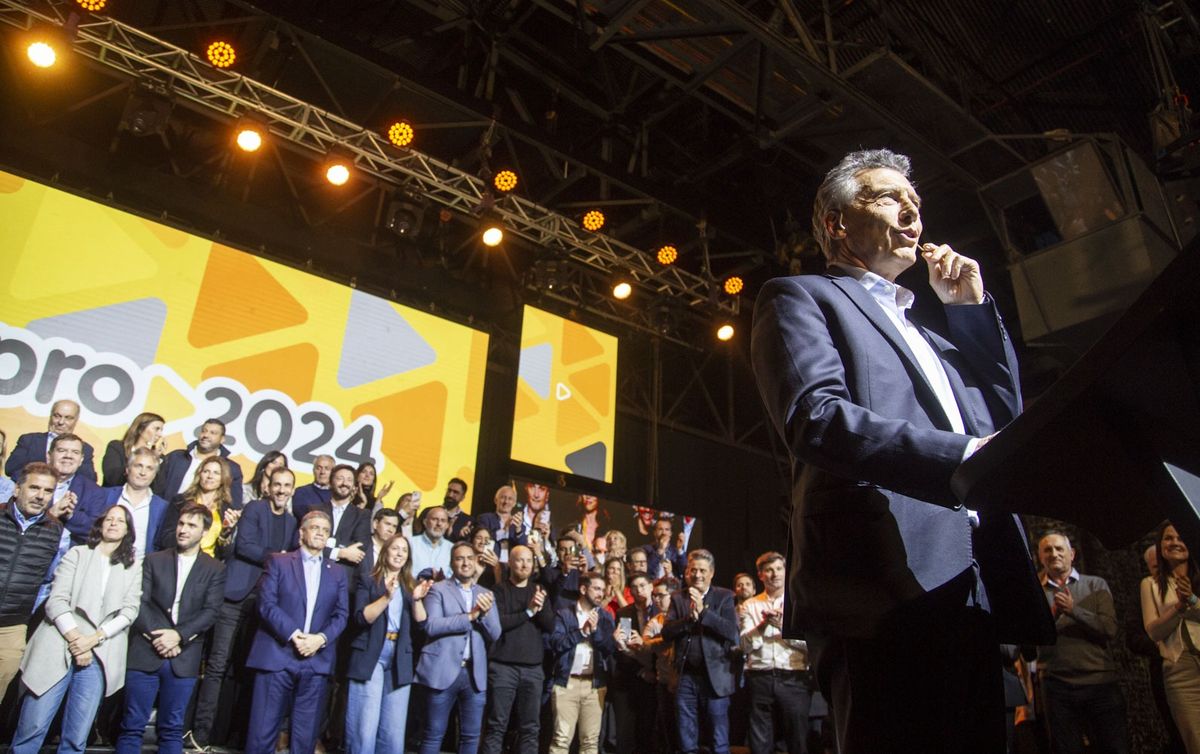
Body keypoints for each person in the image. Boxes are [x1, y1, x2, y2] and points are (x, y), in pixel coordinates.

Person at [750, 148, 1051, 752]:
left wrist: (967, 312)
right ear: (837, 222)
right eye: (890, 197)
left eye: (916, 202)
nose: (912, 210)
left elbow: (1000, 420)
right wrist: (962, 457)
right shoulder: (801, 296)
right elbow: (818, 418)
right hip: (879, 585)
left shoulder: (931, 332)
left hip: (972, 581)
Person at [12, 505, 142, 754]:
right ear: (100, 524)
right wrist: (76, 639)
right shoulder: (77, 554)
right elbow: (57, 600)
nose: (113, 523)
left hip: (100, 650)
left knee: (76, 735)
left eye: (120, 521)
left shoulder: (133, 566)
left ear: (128, 530)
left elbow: (129, 610)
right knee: (33, 726)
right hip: (60, 643)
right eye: (109, 519)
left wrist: (93, 639)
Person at [188, 467, 299, 750]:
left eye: (287, 486)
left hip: (264, 603)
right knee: (216, 665)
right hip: (234, 597)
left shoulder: (291, 521)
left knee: (246, 669)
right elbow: (245, 547)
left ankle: (233, 735)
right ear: (268, 486)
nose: (281, 490)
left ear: (292, 490)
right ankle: (200, 735)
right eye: (277, 484)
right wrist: (279, 558)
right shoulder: (253, 508)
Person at [115, 503, 226, 754]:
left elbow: (211, 611)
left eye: (191, 525)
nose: (183, 530)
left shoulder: (215, 569)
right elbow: (138, 602)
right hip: (145, 651)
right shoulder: (154, 560)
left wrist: (177, 636)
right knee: (132, 726)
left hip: (183, 657)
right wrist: (159, 637)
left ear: (205, 532)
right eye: (181, 524)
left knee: (172, 729)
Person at [243, 510, 349, 754]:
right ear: (302, 533)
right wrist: (294, 634)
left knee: (305, 738)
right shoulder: (278, 561)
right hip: (278, 656)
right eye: (315, 528)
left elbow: (341, 615)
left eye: (325, 530)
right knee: (262, 734)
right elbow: (266, 604)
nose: (320, 533)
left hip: (316, 661)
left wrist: (319, 640)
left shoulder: (337, 572)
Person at [1034, 532, 1127, 754]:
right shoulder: (1035, 592)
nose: (1054, 554)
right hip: (1057, 685)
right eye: (1047, 550)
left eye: (1059, 548)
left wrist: (1074, 610)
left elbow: (1109, 629)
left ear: (1072, 554)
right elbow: (1030, 640)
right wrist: (1053, 615)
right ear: (1040, 557)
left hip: (1100, 682)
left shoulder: (1095, 584)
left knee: (1115, 747)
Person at [346, 534, 432, 754]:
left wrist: (417, 600)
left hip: (400, 656)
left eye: (404, 550)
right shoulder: (368, 579)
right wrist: (386, 597)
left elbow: (422, 624)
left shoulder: (411, 585)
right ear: (385, 552)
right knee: (364, 727)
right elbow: (361, 618)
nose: (400, 553)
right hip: (370, 653)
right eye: (395, 548)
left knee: (393, 732)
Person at [414, 541, 501, 754]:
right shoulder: (438, 590)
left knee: (471, 737)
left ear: (476, 562)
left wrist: (485, 614)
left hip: (473, 675)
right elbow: (432, 625)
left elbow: (496, 633)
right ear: (452, 563)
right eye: (460, 558)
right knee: (434, 734)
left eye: (469, 558)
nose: (465, 563)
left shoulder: (485, 593)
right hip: (442, 671)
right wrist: (470, 616)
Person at [659, 549, 738, 754]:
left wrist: (704, 612)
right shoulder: (678, 598)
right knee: (686, 737)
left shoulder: (725, 596)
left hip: (716, 678)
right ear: (686, 572)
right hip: (686, 677)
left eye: (702, 570)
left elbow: (731, 632)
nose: (697, 575)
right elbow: (667, 633)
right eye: (693, 570)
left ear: (711, 573)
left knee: (718, 738)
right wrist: (688, 621)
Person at [479, 545, 554, 754]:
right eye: (520, 560)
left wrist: (540, 608)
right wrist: (529, 611)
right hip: (503, 668)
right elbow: (499, 623)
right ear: (510, 563)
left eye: (529, 561)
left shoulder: (539, 591)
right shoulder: (498, 591)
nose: (525, 565)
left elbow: (550, 626)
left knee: (531, 728)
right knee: (496, 726)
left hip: (533, 669)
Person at [0, 463, 65, 698]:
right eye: (34, 488)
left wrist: (25, 610)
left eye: (48, 491)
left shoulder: (56, 532)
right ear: (17, 489)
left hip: (12, 628)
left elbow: (49, 581)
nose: (40, 496)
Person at [738, 552, 810, 754]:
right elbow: (744, 646)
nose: (774, 574)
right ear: (760, 575)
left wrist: (783, 629)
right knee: (760, 743)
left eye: (779, 569)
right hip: (760, 677)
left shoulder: (797, 603)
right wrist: (762, 626)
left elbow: (810, 645)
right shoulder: (750, 605)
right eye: (769, 570)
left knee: (798, 740)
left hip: (793, 677)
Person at [1141, 522, 1200, 754]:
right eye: (1168, 538)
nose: (1175, 542)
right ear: (1160, 545)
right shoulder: (1150, 585)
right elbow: (1154, 631)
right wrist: (1179, 607)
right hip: (1179, 670)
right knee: (1195, 739)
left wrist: (1193, 600)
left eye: (1180, 537)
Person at [547, 570, 616, 754]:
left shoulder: (606, 617)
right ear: (583, 589)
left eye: (602, 589)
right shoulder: (564, 614)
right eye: (596, 589)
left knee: (590, 742)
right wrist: (582, 632)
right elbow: (556, 643)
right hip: (566, 683)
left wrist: (595, 632)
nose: (601, 594)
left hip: (594, 685)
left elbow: (609, 648)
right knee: (561, 740)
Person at [611, 571, 658, 754]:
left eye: (643, 586)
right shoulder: (625, 613)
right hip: (630, 677)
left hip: (656, 677)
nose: (639, 591)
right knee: (627, 732)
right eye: (635, 587)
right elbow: (623, 647)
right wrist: (640, 671)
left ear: (651, 587)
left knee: (650, 731)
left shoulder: (661, 610)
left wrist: (652, 671)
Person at [156, 456, 239, 556]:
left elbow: (225, 553)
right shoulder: (180, 501)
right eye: (206, 471)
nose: (210, 476)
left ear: (223, 478)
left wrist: (226, 532)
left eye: (216, 473)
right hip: (176, 558)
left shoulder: (227, 511)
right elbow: (165, 538)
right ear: (199, 474)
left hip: (206, 566)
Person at [153, 418, 245, 507]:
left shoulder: (232, 469)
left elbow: (234, 505)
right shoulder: (176, 457)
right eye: (204, 431)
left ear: (222, 439)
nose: (206, 435)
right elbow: (156, 488)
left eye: (213, 433)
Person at [101, 447, 169, 560]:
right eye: (138, 466)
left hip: (139, 570)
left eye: (149, 468)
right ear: (127, 469)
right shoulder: (105, 496)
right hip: (102, 561)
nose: (143, 473)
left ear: (155, 474)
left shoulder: (162, 507)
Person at [6, 399, 97, 481]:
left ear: (76, 420)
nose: (61, 422)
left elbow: (89, 479)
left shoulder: (85, 448)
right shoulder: (29, 440)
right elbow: (11, 469)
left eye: (68, 418)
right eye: (57, 416)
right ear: (50, 416)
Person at [643, 576, 681, 754]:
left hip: (685, 681)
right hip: (664, 680)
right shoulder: (655, 621)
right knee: (668, 729)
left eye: (660, 595)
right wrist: (667, 639)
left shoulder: (685, 615)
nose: (656, 600)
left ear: (673, 595)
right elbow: (646, 644)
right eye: (654, 595)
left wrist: (659, 641)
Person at [49, 433, 108, 545]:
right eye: (62, 450)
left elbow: (95, 531)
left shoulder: (95, 491)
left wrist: (70, 515)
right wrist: (51, 514)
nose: (68, 455)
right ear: (49, 455)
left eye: (75, 452)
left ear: (81, 460)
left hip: (68, 556)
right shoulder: (33, 482)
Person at [317, 464, 372, 578]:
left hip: (343, 579)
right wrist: (341, 553)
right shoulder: (316, 510)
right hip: (314, 572)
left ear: (354, 486)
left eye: (349, 480)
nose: (344, 483)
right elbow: (308, 544)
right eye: (340, 478)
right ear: (331, 483)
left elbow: (359, 548)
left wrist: (324, 547)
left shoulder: (363, 515)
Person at [101, 412, 165, 487]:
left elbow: (158, 487)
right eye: (156, 429)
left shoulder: (159, 457)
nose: (160, 434)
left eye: (161, 430)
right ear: (141, 429)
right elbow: (112, 478)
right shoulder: (117, 447)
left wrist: (154, 458)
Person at [474, 484, 528, 565]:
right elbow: (483, 540)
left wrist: (518, 530)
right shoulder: (484, 519)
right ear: (496, 500)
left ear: (514, 503)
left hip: (510, 569)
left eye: (510, 499)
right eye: (503, 497)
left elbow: (523, 548)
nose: (506, 502)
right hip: (488, 565)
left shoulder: (520, 526)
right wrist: (504, 530)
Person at [410, 506, 452, 579]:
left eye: (443, 520)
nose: (439, 524)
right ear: (425, 522)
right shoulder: (410, 543)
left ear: (447, 525)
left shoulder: (452, 548)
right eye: (434, 519)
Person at [292, 455, 334, 520]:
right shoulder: (301, 492)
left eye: (327, 468)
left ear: (333, 472)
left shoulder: (337, 495)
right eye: (319, 468)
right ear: (313, 470)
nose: (322, 472)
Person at [442, 477, 473, 542]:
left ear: (463, 497)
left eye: (455, 492)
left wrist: (462, 538)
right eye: (449, 490)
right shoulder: (430, 512)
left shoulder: (468, 521)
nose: (450, 495)